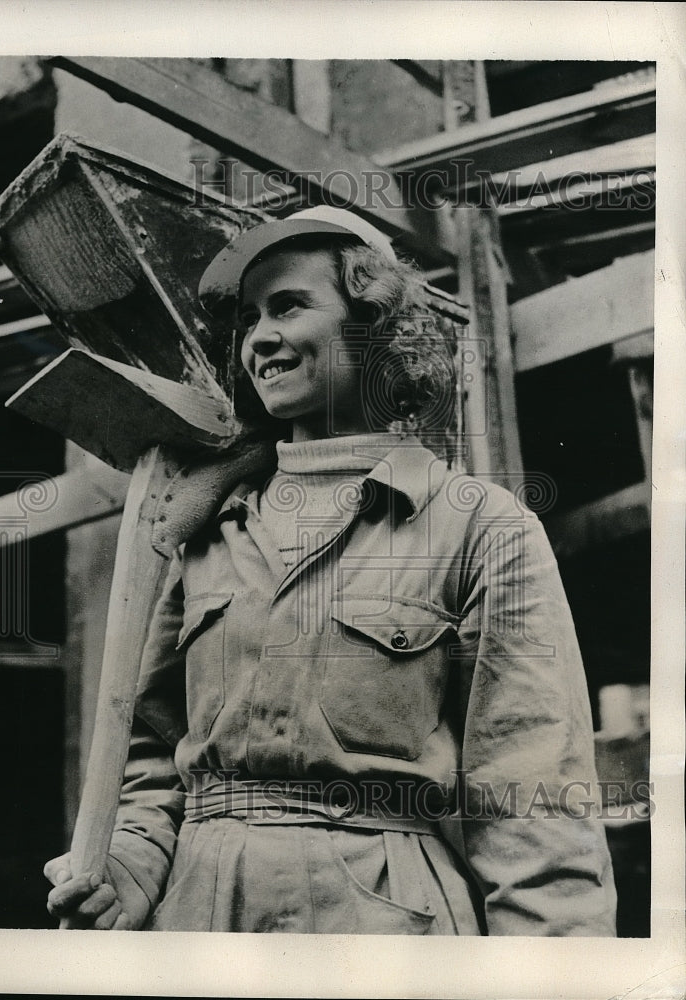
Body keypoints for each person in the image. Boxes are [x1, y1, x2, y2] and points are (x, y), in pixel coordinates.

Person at [44, 206, 617, 935]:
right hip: (198, 922)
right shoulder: (204, 529)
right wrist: (130, 866)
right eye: (249, 319)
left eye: (288, 306)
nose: (260, 339)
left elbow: (532, 799)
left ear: (371, 325)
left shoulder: (481, 527)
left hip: (387, 928)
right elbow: (155, 755)